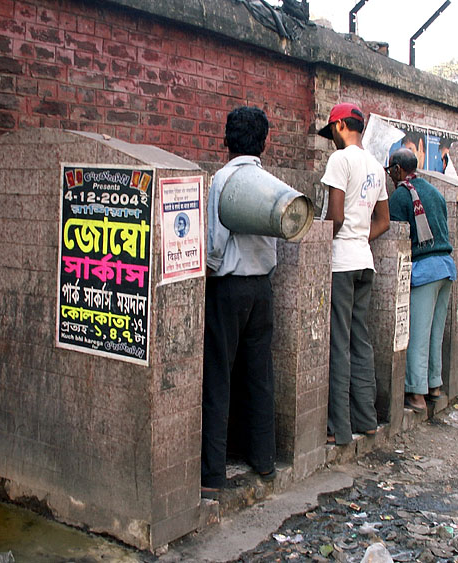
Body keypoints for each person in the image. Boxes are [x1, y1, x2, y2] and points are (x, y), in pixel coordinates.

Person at [202, 106, 277, 498]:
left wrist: (207, 278)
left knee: (218, 377)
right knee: (259, 375)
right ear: (265, 142)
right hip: (262, 287)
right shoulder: (270, 183)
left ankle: (213, 476)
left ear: (226, 139)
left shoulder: (223, 179)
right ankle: (264, 460)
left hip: (228, 288)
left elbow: (214, 244)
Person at [318, 102, 390, 445]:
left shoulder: (340, 159)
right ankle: (367, 420)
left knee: (339, 343)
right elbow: (384, 221)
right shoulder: (376, 165)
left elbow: (335, 217)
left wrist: (321, 245)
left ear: (342, 126)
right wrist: (361, 238)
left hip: (341, 263)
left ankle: (338, 428)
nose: (331, 137)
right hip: (364, 261)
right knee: (360, 342)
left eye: (332, 130)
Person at [386, 148, 457, 413]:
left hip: (424, 271)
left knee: (417, 333)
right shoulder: (435, 192)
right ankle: (434, 388)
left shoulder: (401, 195)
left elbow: (394, 237)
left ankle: (416, 394)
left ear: (396, 169)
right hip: (446, 268)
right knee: (435, 333)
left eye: (390, 171)